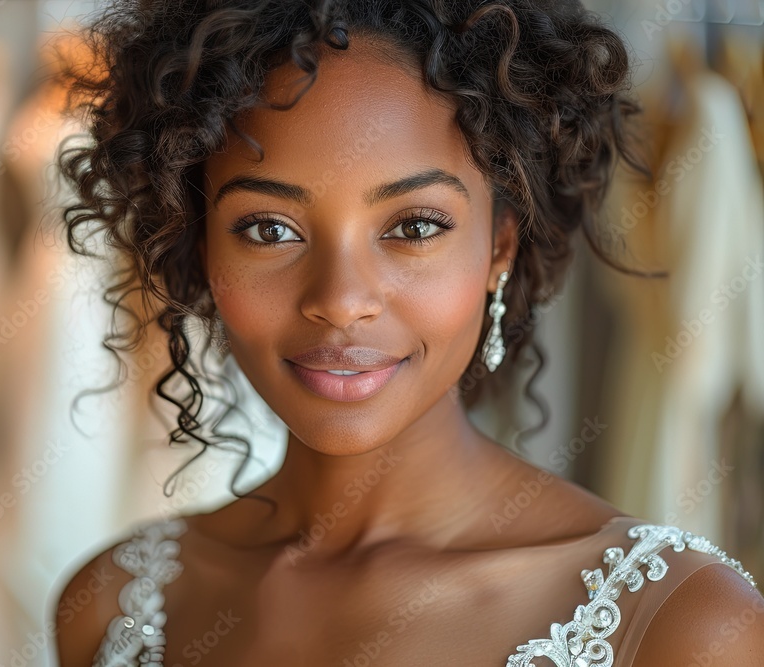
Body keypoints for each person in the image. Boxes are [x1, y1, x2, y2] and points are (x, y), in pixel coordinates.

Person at [51, 1, 764, 665]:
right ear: (200, 247)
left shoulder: (683, 625)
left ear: (499, 248)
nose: (340, 300)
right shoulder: (110, 604)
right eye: (269, 229)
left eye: (414, 227)